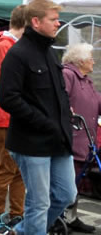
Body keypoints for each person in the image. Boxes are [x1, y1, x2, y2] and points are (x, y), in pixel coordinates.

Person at [0, 0, 77, 235]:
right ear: (36, 21)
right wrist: (42, 121)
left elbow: (60, 92)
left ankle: (23, 230)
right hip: (31, 142)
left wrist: (66, 116)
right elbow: (8, 98)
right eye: (53, 19)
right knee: (39, 203)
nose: (58, 23)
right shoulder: (17, 54)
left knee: (66, 195)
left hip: (58, 139)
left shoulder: (50, 52)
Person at [0, 5, 26, 233]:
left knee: (19, 170)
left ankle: (16, 213)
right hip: (4, 117)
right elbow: (9, 84)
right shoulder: (4, 46)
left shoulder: (12, 46)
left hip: (14, 117)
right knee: (5, 169)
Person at [61, 43, 100, 234]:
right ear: (81, 60)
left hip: (86, 140)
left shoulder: (87, 81)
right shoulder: (68, 75)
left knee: (75, 182)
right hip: (72, 138)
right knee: (67, 183)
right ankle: (59, 217)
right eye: (91, 58)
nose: (93, 61)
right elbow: (61, 100)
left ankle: (71, 217)